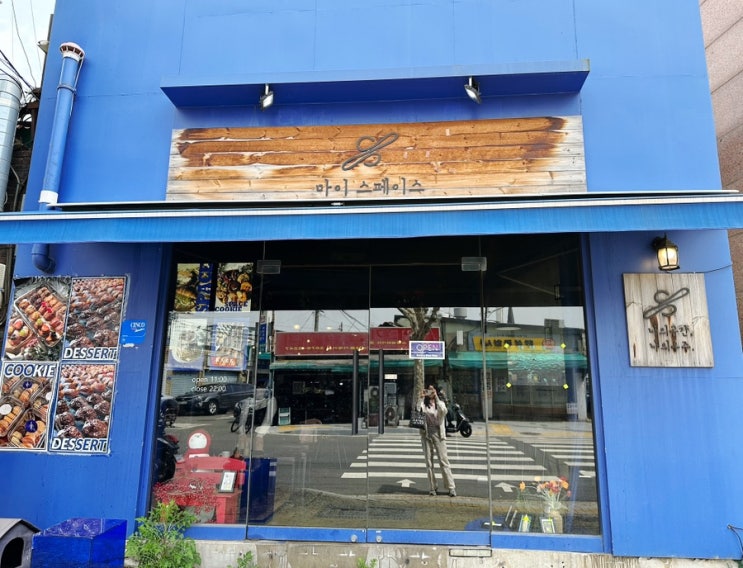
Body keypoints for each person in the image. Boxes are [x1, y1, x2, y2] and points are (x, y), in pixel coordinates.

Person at [416, 384, 456, 497]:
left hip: (438, 433)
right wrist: (421, 398)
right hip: (426, 434)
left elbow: (444, 411)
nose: (430, 392)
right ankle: (432, 488)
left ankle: (451, 487)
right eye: (428, 390)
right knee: (429, 462)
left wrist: (437, 397)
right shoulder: (424, 404)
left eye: (432, 390)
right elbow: (417, 410)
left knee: (443, 460)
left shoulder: (440, 403)